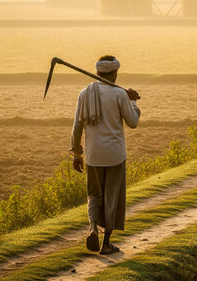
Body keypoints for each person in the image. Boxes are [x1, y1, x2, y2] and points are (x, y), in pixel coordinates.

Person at [70, 55, 141, 255]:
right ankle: (106, 244)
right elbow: (133, 122)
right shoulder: (120, 95)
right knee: (113, 197)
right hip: (115, 156)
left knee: (94, 195)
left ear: (98, 72)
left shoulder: (84, 93)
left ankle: (92, 228)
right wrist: (133, 101)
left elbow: (76, 127)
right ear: (114, 73)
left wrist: (76, 153)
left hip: (93, 156)